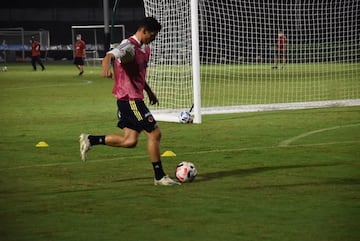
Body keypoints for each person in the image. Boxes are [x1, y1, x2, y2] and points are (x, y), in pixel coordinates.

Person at [79, 16, 180, 186]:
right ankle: (159, 177)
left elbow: (138, 74)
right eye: (152, 35)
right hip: (129, 99)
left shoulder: (145, 48)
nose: (153, 39)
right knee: (155, 134)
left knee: (130, 141)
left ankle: (90, 139)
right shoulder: (129, 46)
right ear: (144, 31)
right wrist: (106, 65)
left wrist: (149, 91)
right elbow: (110, 55)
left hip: (132, 98)